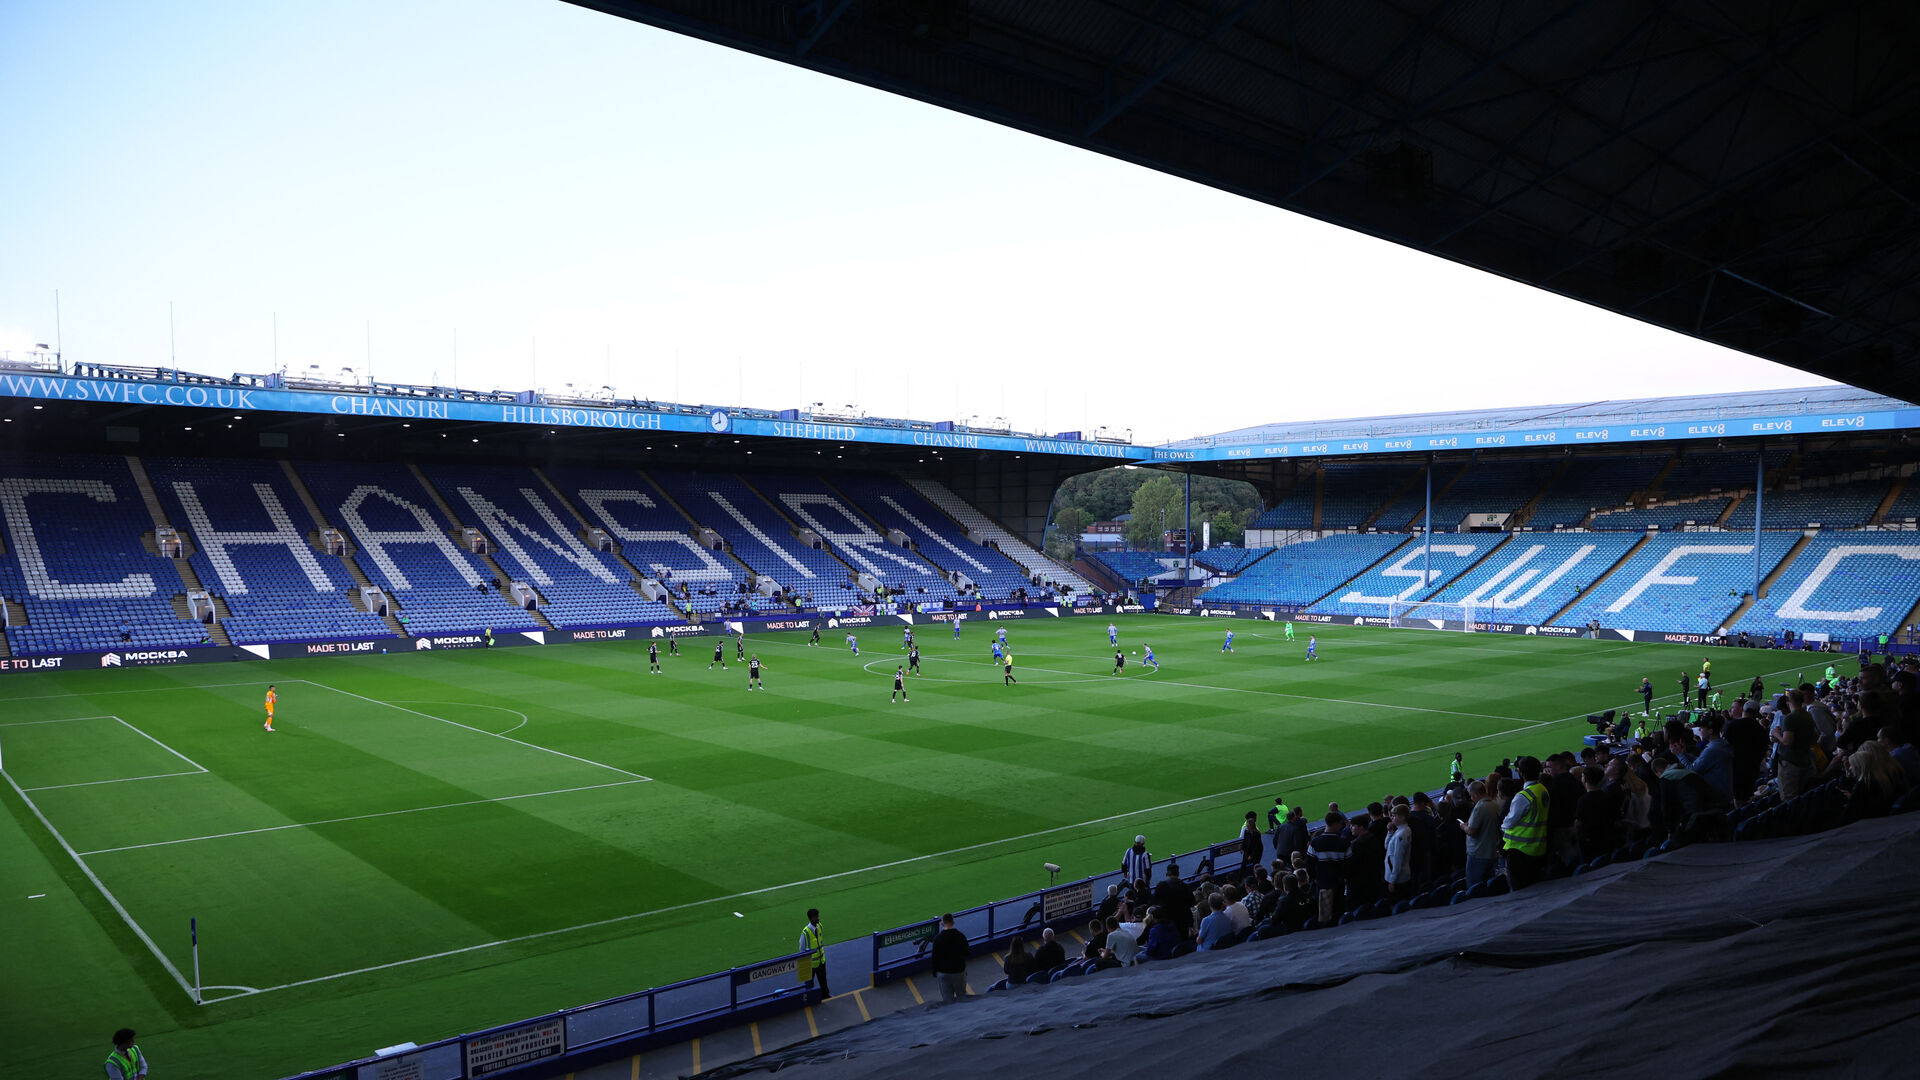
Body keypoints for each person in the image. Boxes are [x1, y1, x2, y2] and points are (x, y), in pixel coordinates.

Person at [1501, 757, 1550, 890]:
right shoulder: (1543, 790)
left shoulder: (1523, 796)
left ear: (1520, 773)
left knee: (1519, 892)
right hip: (1538, 848)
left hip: (1520, 852)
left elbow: (1507, 823)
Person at [1462, 779, 1501, 889]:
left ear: (1475, 794)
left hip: (1479, 854)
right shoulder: (1494, 804)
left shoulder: (1480, 807)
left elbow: (1471, 831)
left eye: (1471, 795)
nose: (1471, 798)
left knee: (1475, 887)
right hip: (1491, 852)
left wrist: (1463, 826)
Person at [929, 913, 969, 1003]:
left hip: (943, 973)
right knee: (962, 998)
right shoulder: (960, 936)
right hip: (959, 971)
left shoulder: (938, 939)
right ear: (953, 922)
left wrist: (935, 972)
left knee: (948, 1001)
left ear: (942, 924)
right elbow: (967, 952)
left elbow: (934, 958)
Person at [1383, 805, 1414, 900]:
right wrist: (1389, 832)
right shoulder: (1399, 831)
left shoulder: (1402, 833)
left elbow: (1398, 858)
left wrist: (1392, 881)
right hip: (1397, 876)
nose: (1392, 818)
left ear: (1402, 817)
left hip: (1398, 879)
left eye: (1394, 815)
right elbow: (1387, 847)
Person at [799, 908, 829, 996]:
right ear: (810, 919)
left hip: (821, 960)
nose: (818, 918)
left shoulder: (819, 926)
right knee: (809, 982)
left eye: (818, 916)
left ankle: (826, 995)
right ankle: (810, 997)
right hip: (810, 963)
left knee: (823, 979)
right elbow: (801, 948)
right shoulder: (805, 932)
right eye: (816, 917)